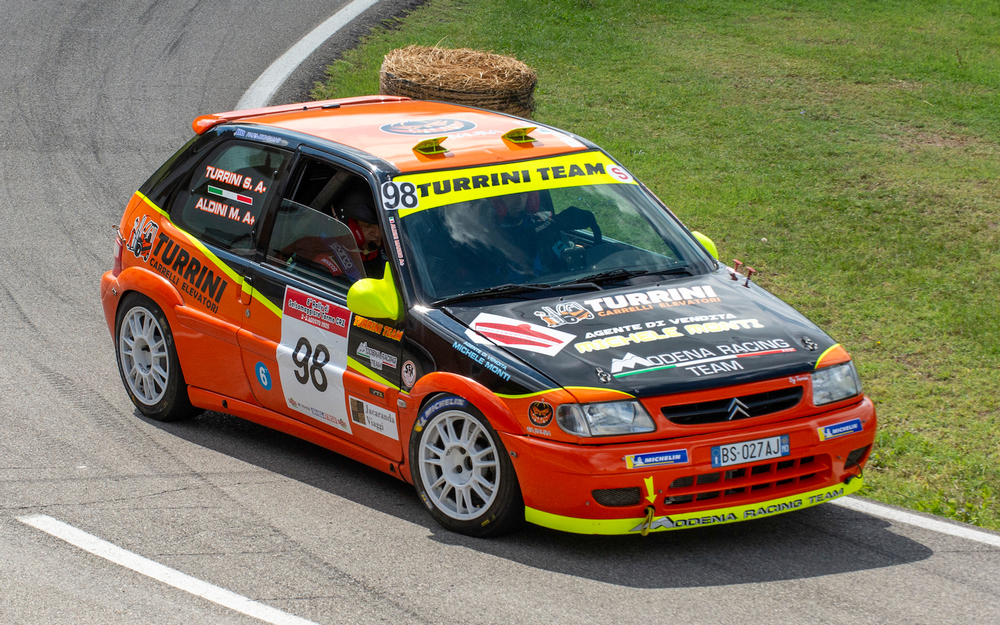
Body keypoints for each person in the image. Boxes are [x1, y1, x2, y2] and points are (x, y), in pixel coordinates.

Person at [340, 187, 388, 279]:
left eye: (381, 226)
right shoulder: (327, 257)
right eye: (367, 225)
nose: (377, 234)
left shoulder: (397, 255)